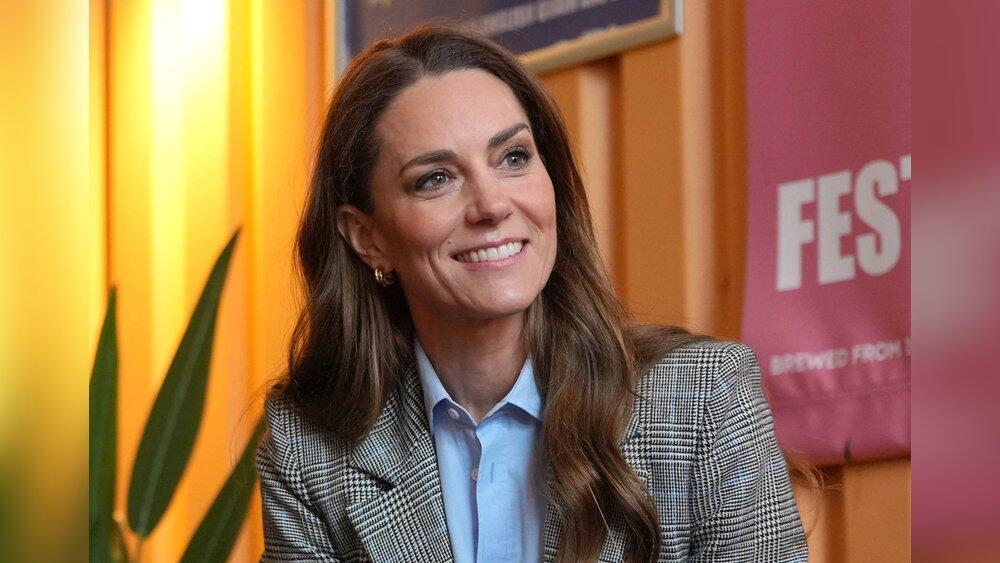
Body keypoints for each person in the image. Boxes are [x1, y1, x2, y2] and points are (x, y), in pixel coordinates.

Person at [256, 24, 807, 563]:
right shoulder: (310, 447)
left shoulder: (704, 399)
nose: (492, 205)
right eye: (436, 178)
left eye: (513, 158)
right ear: (368, 237)